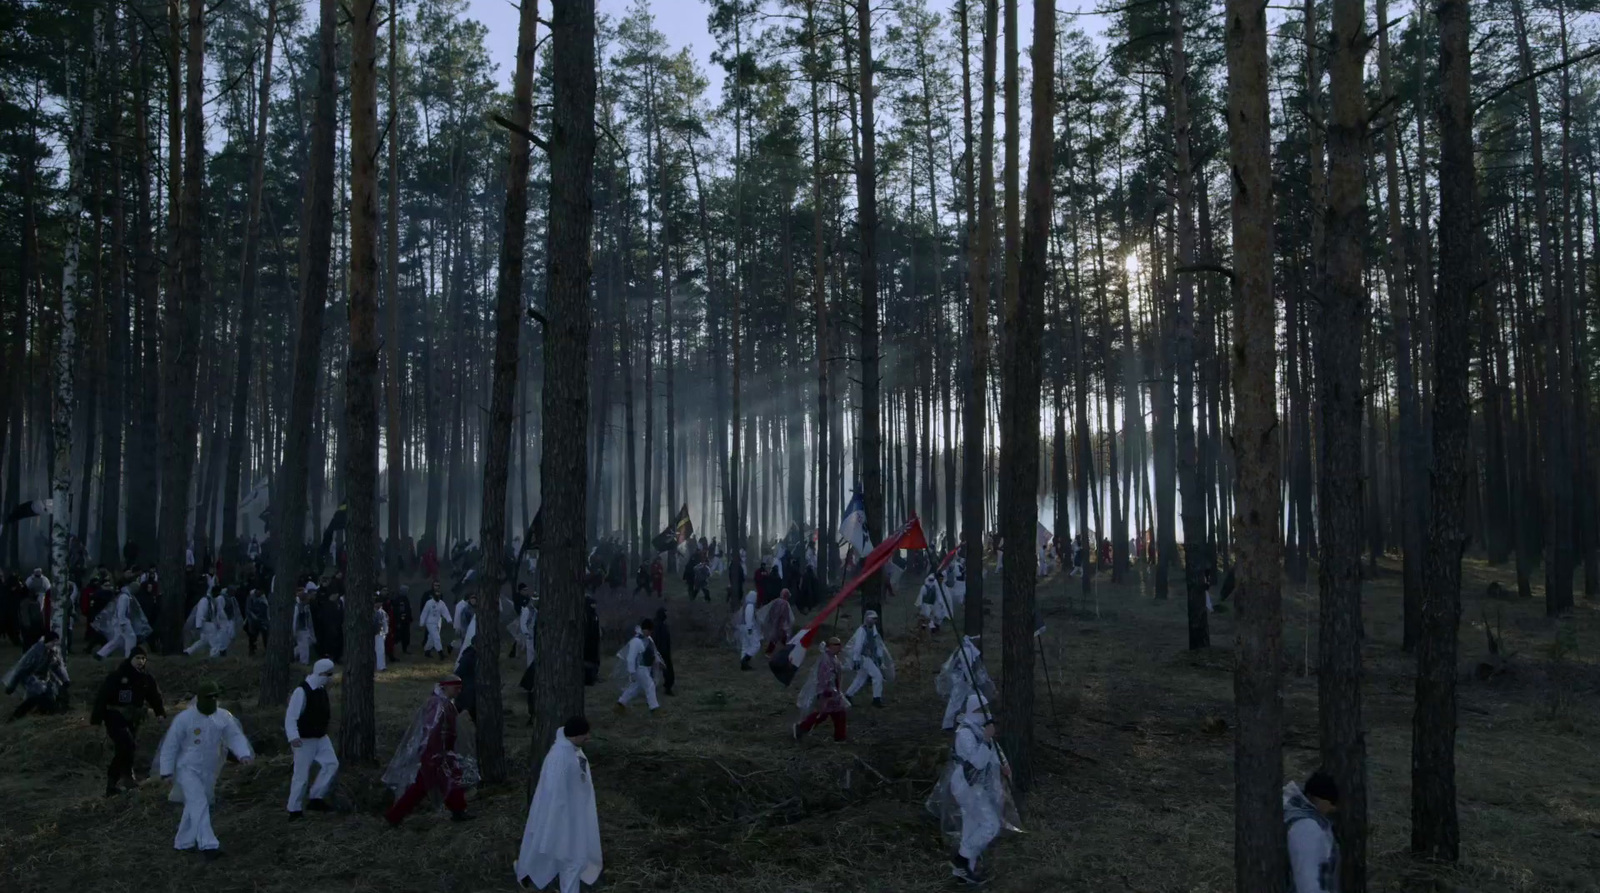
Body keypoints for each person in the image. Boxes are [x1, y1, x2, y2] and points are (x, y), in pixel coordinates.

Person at [155, 680, 255, 859]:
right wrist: (166, 771)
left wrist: (243, 754)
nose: (213, 700)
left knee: (195, 804)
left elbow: (234, 736)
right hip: (187, 768)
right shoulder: (184, 718)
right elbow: (171, 745)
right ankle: (208, 845)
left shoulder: (223, 717)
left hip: (210, 769)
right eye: (209, 697)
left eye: (216, 696)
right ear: (200, 698)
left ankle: (183, 842)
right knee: (198, 802)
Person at [927, 692, 1016, 884]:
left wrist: (1004, 764)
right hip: (967, 784)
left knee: (972, 825)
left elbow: (994, 748)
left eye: (985, 709)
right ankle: (961, 859)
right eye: (979, 710)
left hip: (977, 785)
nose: (984, 714)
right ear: (971, 711)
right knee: (990, 825)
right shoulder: (965, 733)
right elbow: (977, 762)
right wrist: (985, 740)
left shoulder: (980, 729)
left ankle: (964, 874)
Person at [515, 716, 603, 893]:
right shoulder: (560, 757)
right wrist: (557, 823)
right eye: (585, 734)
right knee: (571, 859)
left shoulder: (571, 749)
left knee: (563, 857)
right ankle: (529, 873)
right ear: (575, 735)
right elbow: (554, 794)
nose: (588, 737)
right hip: (564, 817)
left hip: (573, 814)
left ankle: (527, 871)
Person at [382, 676, 477, 825]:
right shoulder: (438, 704)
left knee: (446, 781)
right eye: (455, 688)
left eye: (460, 688)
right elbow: (430, 729)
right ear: (445, 687)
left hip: (442, 751)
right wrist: (434, 752)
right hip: (436, 753)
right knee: (428, 785)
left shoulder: (444, 703)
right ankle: (394, 816)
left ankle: (458, 810)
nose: (459, 691)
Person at [90, 645, 166, 796]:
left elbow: (154, 696)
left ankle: (126, 779)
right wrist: (96, 720)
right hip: (115, 716)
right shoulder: (118, 676)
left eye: (143, 659)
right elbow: (102, 697)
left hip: (134, 719)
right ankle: (112, 781)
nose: (141, 661)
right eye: (138, 658)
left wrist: (160, 713)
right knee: (126, 745)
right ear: (131, 658)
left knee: (128, 748)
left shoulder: (146, 678)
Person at [285, 658, 340, 818]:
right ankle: (294, 809)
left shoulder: (321, 690)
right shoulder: (301, 691)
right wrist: (293, 736)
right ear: (321, 673)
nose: (330, 678)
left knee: (331, 764)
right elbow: (291, 717)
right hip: (304, 739)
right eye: (328, 675)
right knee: (301, 775)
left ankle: (316, 796)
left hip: (321, 737)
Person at [1284, 770, 1340, 893]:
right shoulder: (1306, 828)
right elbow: (1308, 879)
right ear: (1319, 799)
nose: (1333, 808)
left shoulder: (1298, 819)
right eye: (1331, 803)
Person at [792, 637, 849, 743]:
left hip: (833, 693)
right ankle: (802, 728)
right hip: (827, 693)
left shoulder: (833, 658)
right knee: (823, 714)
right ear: (829, 646)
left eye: (839, 644)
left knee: (838, 713)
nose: (839, 647)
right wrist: (828, 692)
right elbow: (824, 678)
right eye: (836, 644)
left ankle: (840, 737)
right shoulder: (826, 660)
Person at [4, 631, 71, 720]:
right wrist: (11, 686)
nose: (55, 644)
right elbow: (20, 669)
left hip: (44, 677)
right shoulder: (35, 652)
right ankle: (16, 716)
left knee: (50, 695)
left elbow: (58, 666)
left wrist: (65, 680)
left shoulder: (54, 651)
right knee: (34, 697)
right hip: (29, 678)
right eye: (53, 642)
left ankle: (46, 711)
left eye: (56, 642)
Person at [937, 636, 995, 730]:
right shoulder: (966, 651)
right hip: (962, 682)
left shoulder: (968, 649)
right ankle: (948, 724)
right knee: (956, 702)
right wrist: (971, 680)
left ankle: (982, 719)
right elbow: (966, 667)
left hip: (965, 682)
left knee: (977, 698)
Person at [844, 610, 894, 707]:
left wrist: (879, 656)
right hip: (863, 658)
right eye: (872, 618)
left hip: (868, 657)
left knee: (861, 677)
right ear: (867, 618)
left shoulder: (873, 629)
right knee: (877, 676)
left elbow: (877, 644)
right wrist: (856, 659)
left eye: (875, 619)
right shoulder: (862, 630)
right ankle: (876, 699)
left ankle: (848, 695)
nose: (873, 621)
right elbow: (858, 646)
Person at [612, 620, 660, 714]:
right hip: (639, 668)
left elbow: (653, 652)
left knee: (635, 687)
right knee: (650, 686)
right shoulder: (636, 641)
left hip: (645, 668)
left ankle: (620, 703)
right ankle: (654, 708)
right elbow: (631, 658)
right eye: (649, 631)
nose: (650, 633)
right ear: (645, 629)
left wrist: (658, 661)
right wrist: (632, 672)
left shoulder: (647, 639)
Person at [94, 585, 152, 660]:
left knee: (117, 641)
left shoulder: (124, 596)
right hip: (123, 622)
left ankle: (100, 654)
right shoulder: (125, 597)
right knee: (131, 638)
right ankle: (129, 657)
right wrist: (123, 623)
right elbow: (121, 612)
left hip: (119, 621)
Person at [758, 588, 795, 655]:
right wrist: (787, 623)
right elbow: (785, 615)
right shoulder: (785, 604)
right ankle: (788, 651)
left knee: (777, 638)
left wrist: (772, 620)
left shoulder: (776, 601)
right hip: (780, 624)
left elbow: (771, 611)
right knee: (781, 638)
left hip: (775, 623)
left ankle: (785, 650)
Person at [419, 584, 447, 658]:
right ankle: (440, 653)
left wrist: (449, 619)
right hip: (430, 622)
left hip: (438, 621)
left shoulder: (441, 603)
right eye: (436, 594)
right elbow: (424, 613)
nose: (438, 595)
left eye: (439, 594)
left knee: (431, 638)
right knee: (436, 637)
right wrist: (422, 622)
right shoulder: (429, 603)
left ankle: (427, 651)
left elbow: (445, 611)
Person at [652, 606, 674, 696]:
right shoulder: (659, 626)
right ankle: (667, 688)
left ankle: (666, 687)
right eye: (665, 612)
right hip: (661, 651)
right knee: (666, 670)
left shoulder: (659, 624)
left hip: (661, 651)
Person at [292, 587, 318, 665]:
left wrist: (311, 631)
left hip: (306, 629)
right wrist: (294, 632)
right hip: (300, 630)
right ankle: (304, 662)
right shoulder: (297, 608)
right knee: (304, 647)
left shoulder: (307, 608)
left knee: (307, 644)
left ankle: (293, 653)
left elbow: (309, 621)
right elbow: (295, 620)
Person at [736, 591, 760, 671]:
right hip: (748, 628)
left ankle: (743, 665)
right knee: (756, 645)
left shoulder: (745, 605)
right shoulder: (750, 606)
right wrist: (749, 628)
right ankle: (745, 660)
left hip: (742, 627)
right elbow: (748, 617)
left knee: (745, 645)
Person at [243, 588, 270, 655]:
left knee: (265, 635)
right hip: (253, 620)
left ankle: (267, 649)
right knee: (252, 636)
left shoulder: (263, 598)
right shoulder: (250, 597)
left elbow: (266, 608)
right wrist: (253, 616)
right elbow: (248, 609)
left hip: (262, 619)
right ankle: (252, 650)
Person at [390, 585, 413, 654]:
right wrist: (397, 620)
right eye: (405, 591)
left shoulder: (406, 598)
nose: (406, 592)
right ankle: (391, 649)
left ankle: (404, 649)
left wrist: (409, 617)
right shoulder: (398, 599)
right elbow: (396, 610)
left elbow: (408, 609)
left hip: (406, 620)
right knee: (398, 635)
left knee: (406, 636)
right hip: (399, 620)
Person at [373, 604, 390, 672]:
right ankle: (380, 666)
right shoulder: (379, 612)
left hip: (380, 633)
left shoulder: (382, 612)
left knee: (380, 650)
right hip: (378, 633)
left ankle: (381, 666)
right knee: (379, 650)